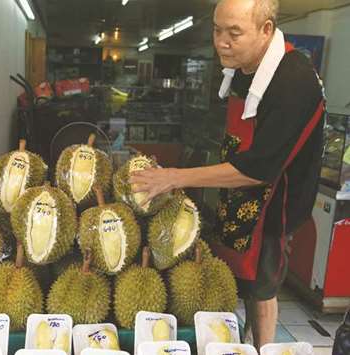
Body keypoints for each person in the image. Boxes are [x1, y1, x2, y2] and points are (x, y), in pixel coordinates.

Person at [130, 0, 325, 349]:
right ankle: (241, 340)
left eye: (234, 32)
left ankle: (262, 347)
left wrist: (176, 176)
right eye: (217, 29)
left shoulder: (293, 81)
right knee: (242, 283)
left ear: (266, 30)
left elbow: (259, 169)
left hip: (274, 205)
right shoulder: (243, 66)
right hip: (240, 196)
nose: (221, 41)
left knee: (262, 287)